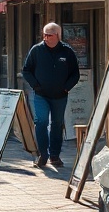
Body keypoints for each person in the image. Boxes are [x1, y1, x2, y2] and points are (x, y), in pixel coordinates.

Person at [21, 22, 80, 169]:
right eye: (44, 35)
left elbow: (75, 74)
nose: (46, 38)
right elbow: (26, 70)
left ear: (58, 36)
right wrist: (35, 85)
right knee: (41, 122)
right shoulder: (36, 50)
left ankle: (55, 156)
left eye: (49, 35)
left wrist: (66, 88)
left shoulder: (67, 51)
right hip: (41, 95)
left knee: (57, 124)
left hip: (60, 96)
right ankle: (43, 154)